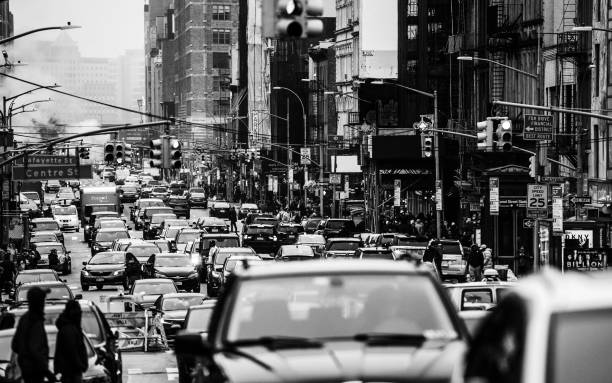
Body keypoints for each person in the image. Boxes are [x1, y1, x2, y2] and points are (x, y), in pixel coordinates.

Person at [11, 286, 56, 383]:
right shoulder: (35, 321)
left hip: (26, 370)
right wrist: (47, 372)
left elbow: (15, 345)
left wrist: (24, 355)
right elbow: (35, 350)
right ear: (39, 303)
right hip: (35, 371)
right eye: (43, 300)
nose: (44, 303)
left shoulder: (24, 319)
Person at [54, 300, 88, 383]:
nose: (80, 314)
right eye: (78, 311)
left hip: (70, 371)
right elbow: (71, 351)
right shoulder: (69, 329)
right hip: (72, 372)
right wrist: (80, 364)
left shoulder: (69, 327)